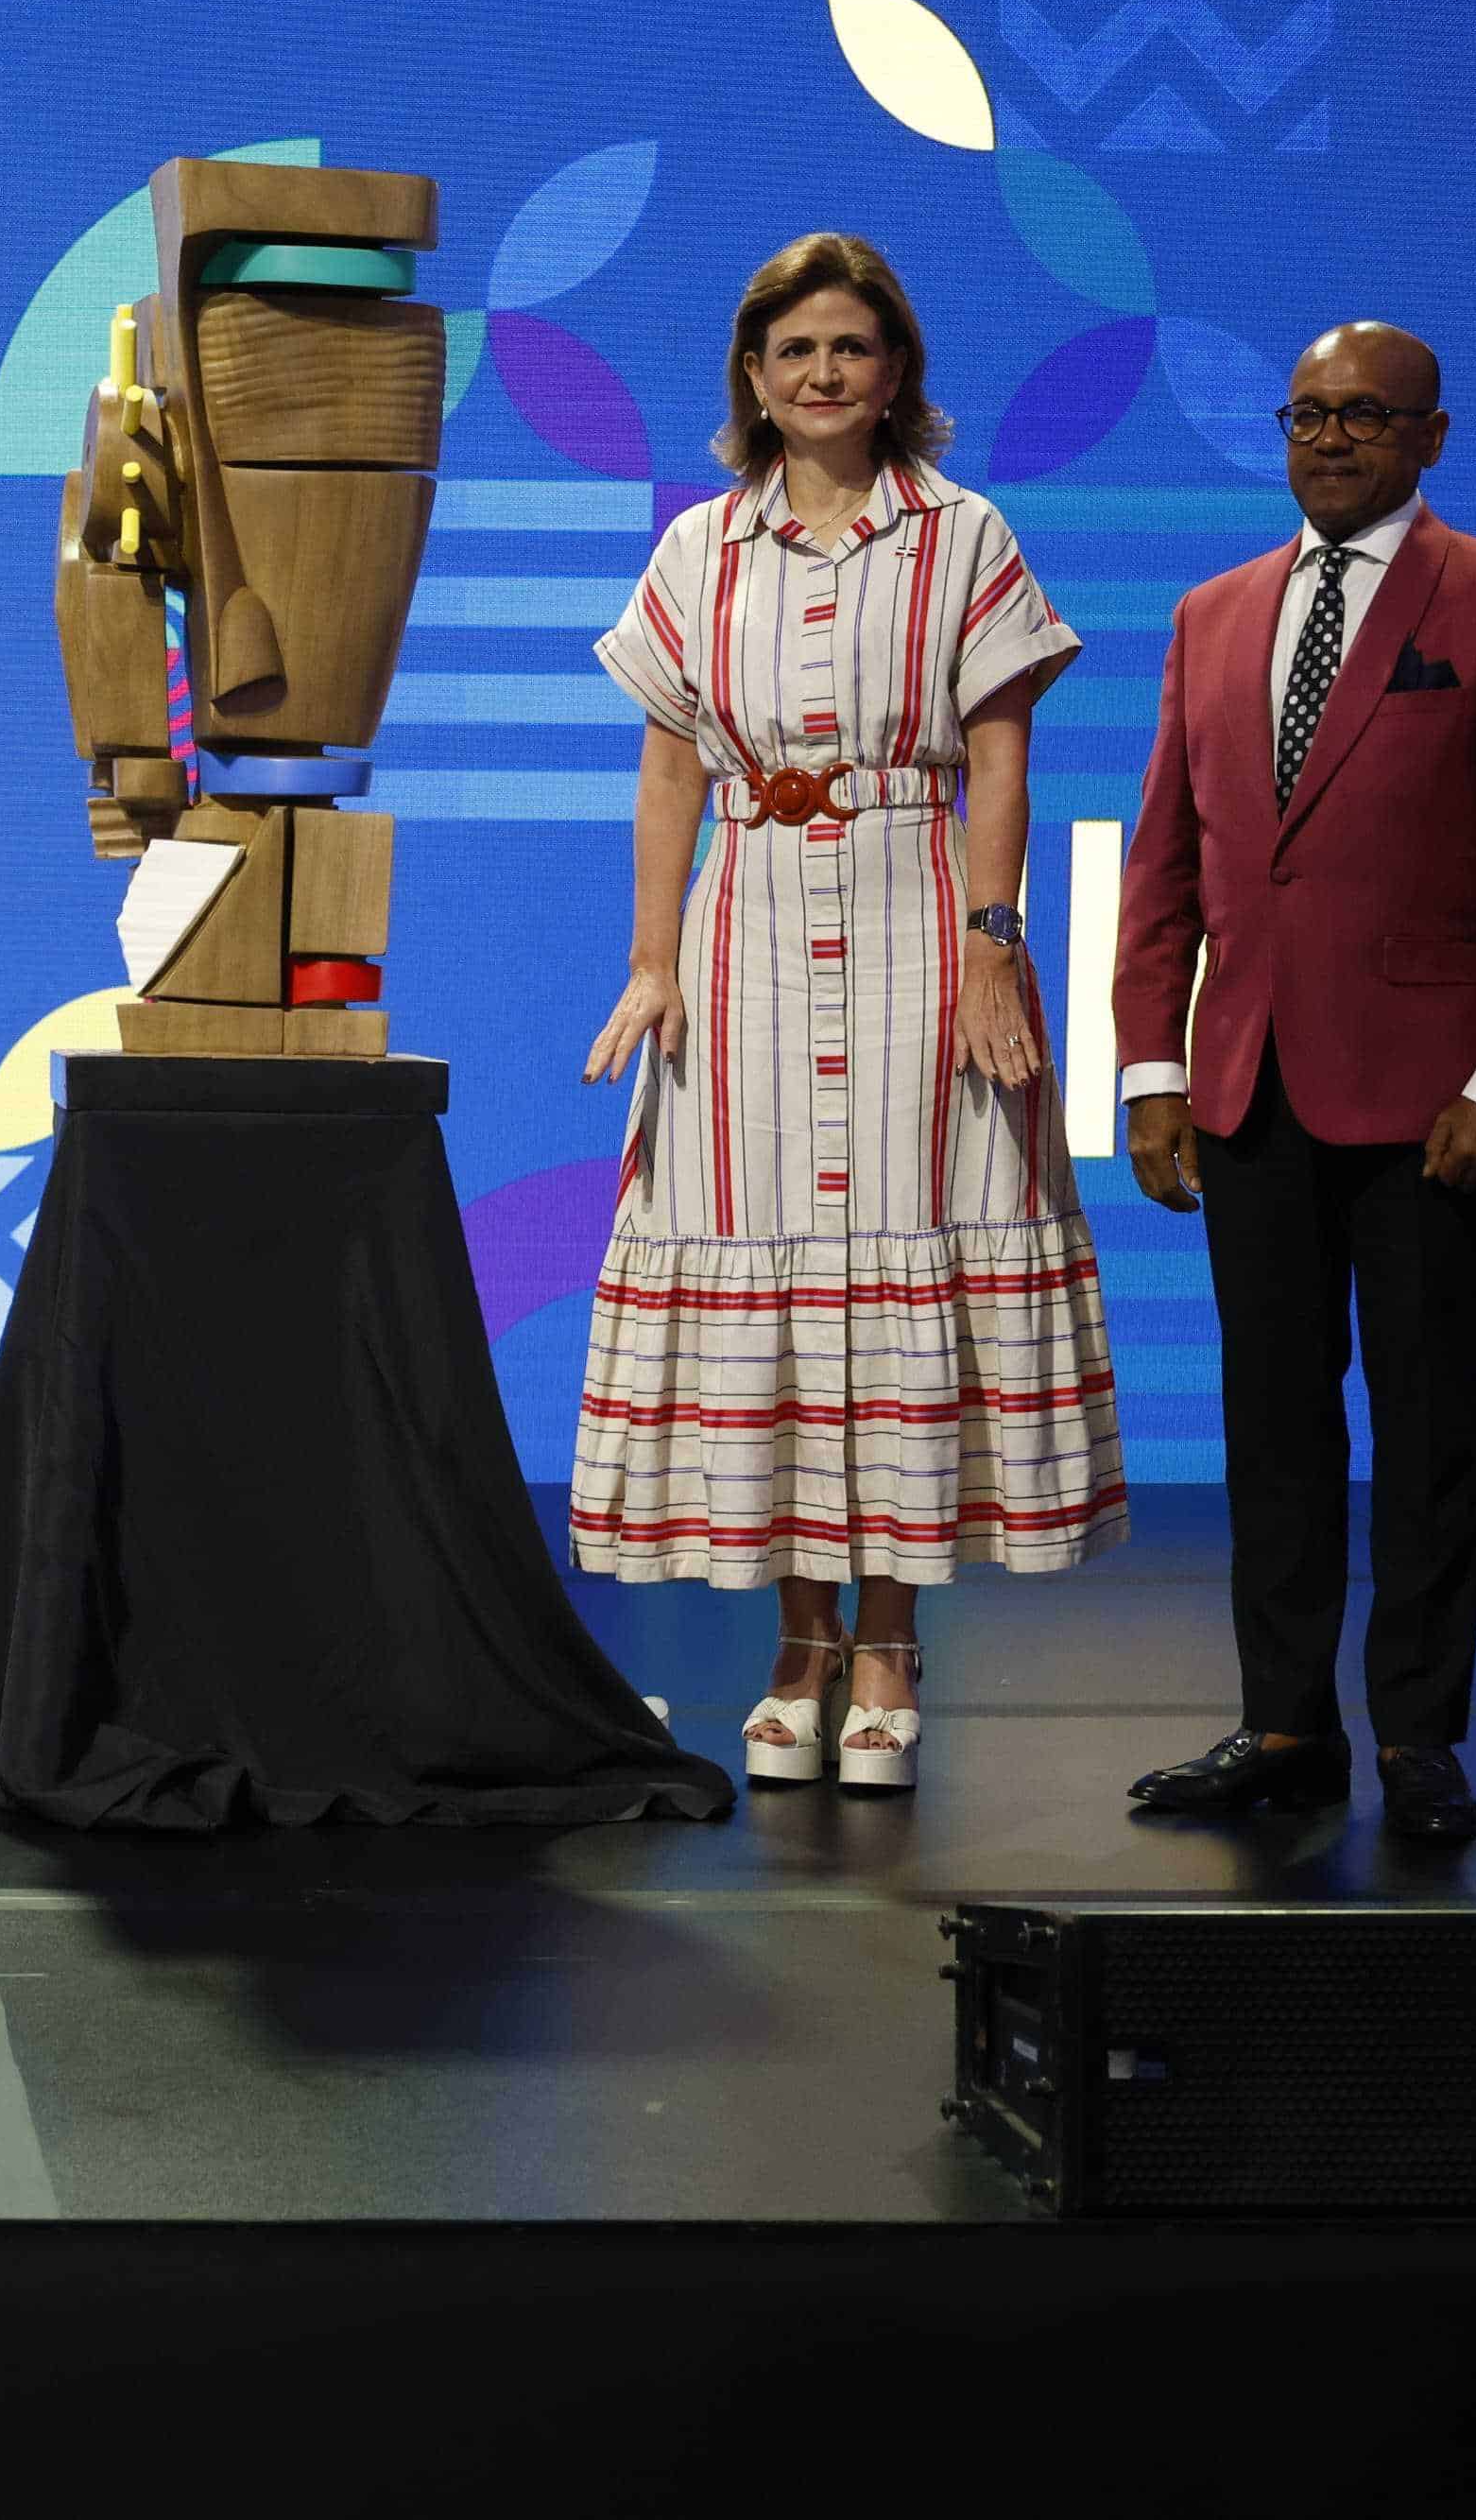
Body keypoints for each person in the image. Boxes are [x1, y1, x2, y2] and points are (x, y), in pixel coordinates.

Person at [575, 232, 1130, 1793]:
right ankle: (799, 1641)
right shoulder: (701, 548)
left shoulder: (965, 535)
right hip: (746, 932)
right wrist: (655, 956)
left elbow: (1004, 758)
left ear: (899, 374)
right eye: (794, 350)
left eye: (851, 348)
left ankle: (888, 1642)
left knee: (904, 1257)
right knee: (786, 1278)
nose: (823, 374)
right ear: (753, 376)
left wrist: (992, 941)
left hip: (914, 911)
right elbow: (672, 764)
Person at [1114, 322, 1476, 1848]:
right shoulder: (1212, 613)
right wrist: (1149, 1065)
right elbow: (1165, 863)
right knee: (1271, 1424)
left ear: (1433, 436)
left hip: (1436, 1102)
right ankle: (1284, 1725)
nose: (1333, 439)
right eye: (1309, 414)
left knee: (1428, 1421)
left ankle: (1417, 1733)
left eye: (1368, 416)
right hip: (1247, 1085)